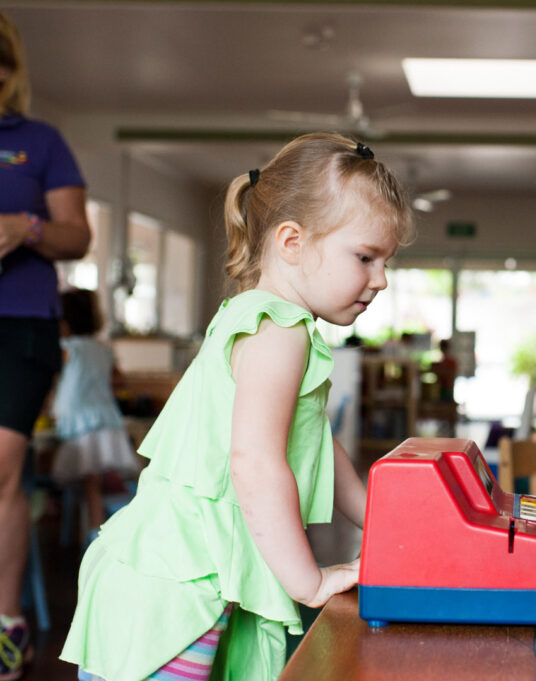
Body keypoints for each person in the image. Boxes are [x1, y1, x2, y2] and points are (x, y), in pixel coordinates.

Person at [61, 133, 414, 681]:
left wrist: (385, 525)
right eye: (365, 257)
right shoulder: (281, 328)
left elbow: (315, 438)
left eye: (385, 261)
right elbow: (254, 463)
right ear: (292, 241)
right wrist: (310, 582)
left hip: (178, 575)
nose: (381, 279)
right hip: (178, 591)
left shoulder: (257, 315)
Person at [0, 12, 92, 681]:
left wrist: (24, 226)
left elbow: (76, 236)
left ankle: (7, 628)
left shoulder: (40, 141)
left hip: (21, 324)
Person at [51, 288, 141, 546]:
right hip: (107, 420)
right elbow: (119, 379)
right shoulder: (103, 349)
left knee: (91, 484)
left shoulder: (67, 349)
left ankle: (94, 539)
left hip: (81, 422)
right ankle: (97, 532)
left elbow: (54, 379)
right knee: (99, 482)